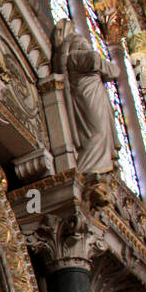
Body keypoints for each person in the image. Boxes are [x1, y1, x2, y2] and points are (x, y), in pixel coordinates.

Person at [51, 19, 120, 175]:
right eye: (83, 44)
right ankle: (89, 169)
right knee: (97, 134)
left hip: (94, 96)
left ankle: (94, 168)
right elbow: (112, 69)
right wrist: (100, 63)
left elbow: (113, 70)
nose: (87, 47)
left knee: (99, 134)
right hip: (89, 97)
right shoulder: (76, 58)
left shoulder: (78, 59)